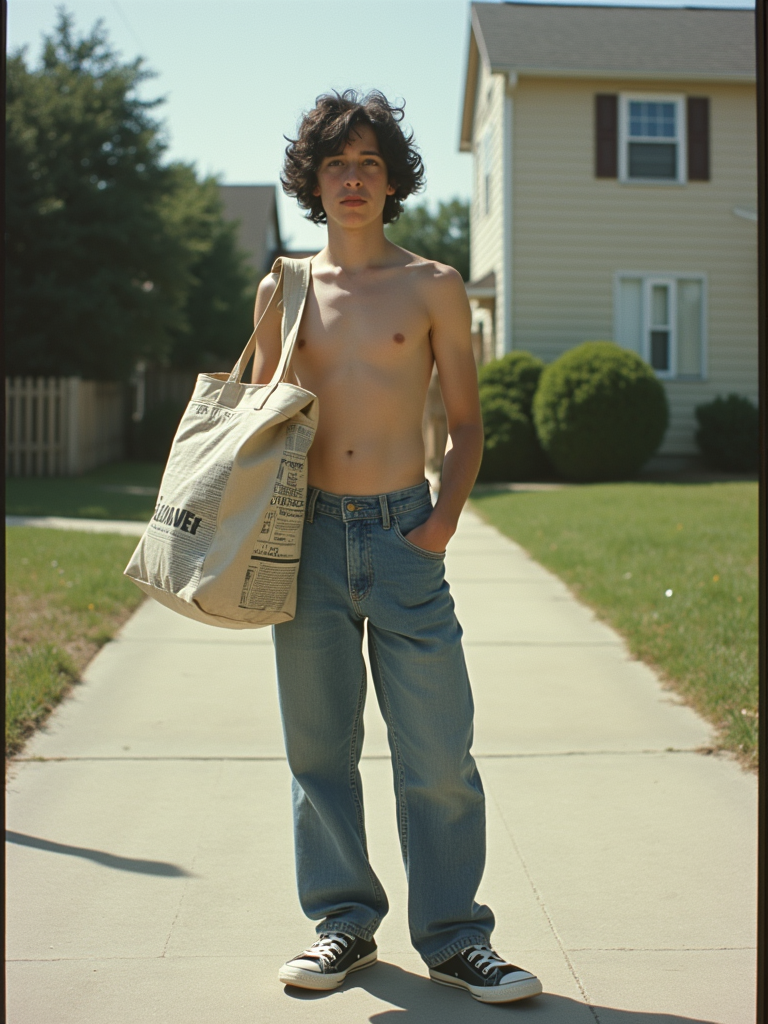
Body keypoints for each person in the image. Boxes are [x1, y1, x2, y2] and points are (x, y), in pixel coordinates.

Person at [251, 89, 542, 1005]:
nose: (352, 178)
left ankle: (457, 938)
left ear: (391, 180)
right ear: (313, 179)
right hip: (307, 543)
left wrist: (440, 522)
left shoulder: (434, 286)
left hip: (403, 532)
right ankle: (343, 926)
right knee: (318, 751)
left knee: (439, 750)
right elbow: (254, 427)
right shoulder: (284, 287)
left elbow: (463, 422)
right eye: (336, 163)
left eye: (369, 163)